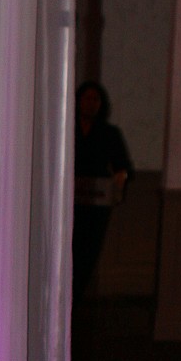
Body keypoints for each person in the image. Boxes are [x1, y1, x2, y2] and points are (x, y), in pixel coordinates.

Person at [73, 81, 133, 303]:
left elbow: (123, 165)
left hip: (96, 204)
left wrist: (121, 177)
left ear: (101, 104)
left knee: (87, 252)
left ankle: (76, 298)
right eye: (87, 98)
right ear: (78, 101)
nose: (90, 104)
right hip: (69, 202)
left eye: (95, 100)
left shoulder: (109, 133)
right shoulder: (66, 128)